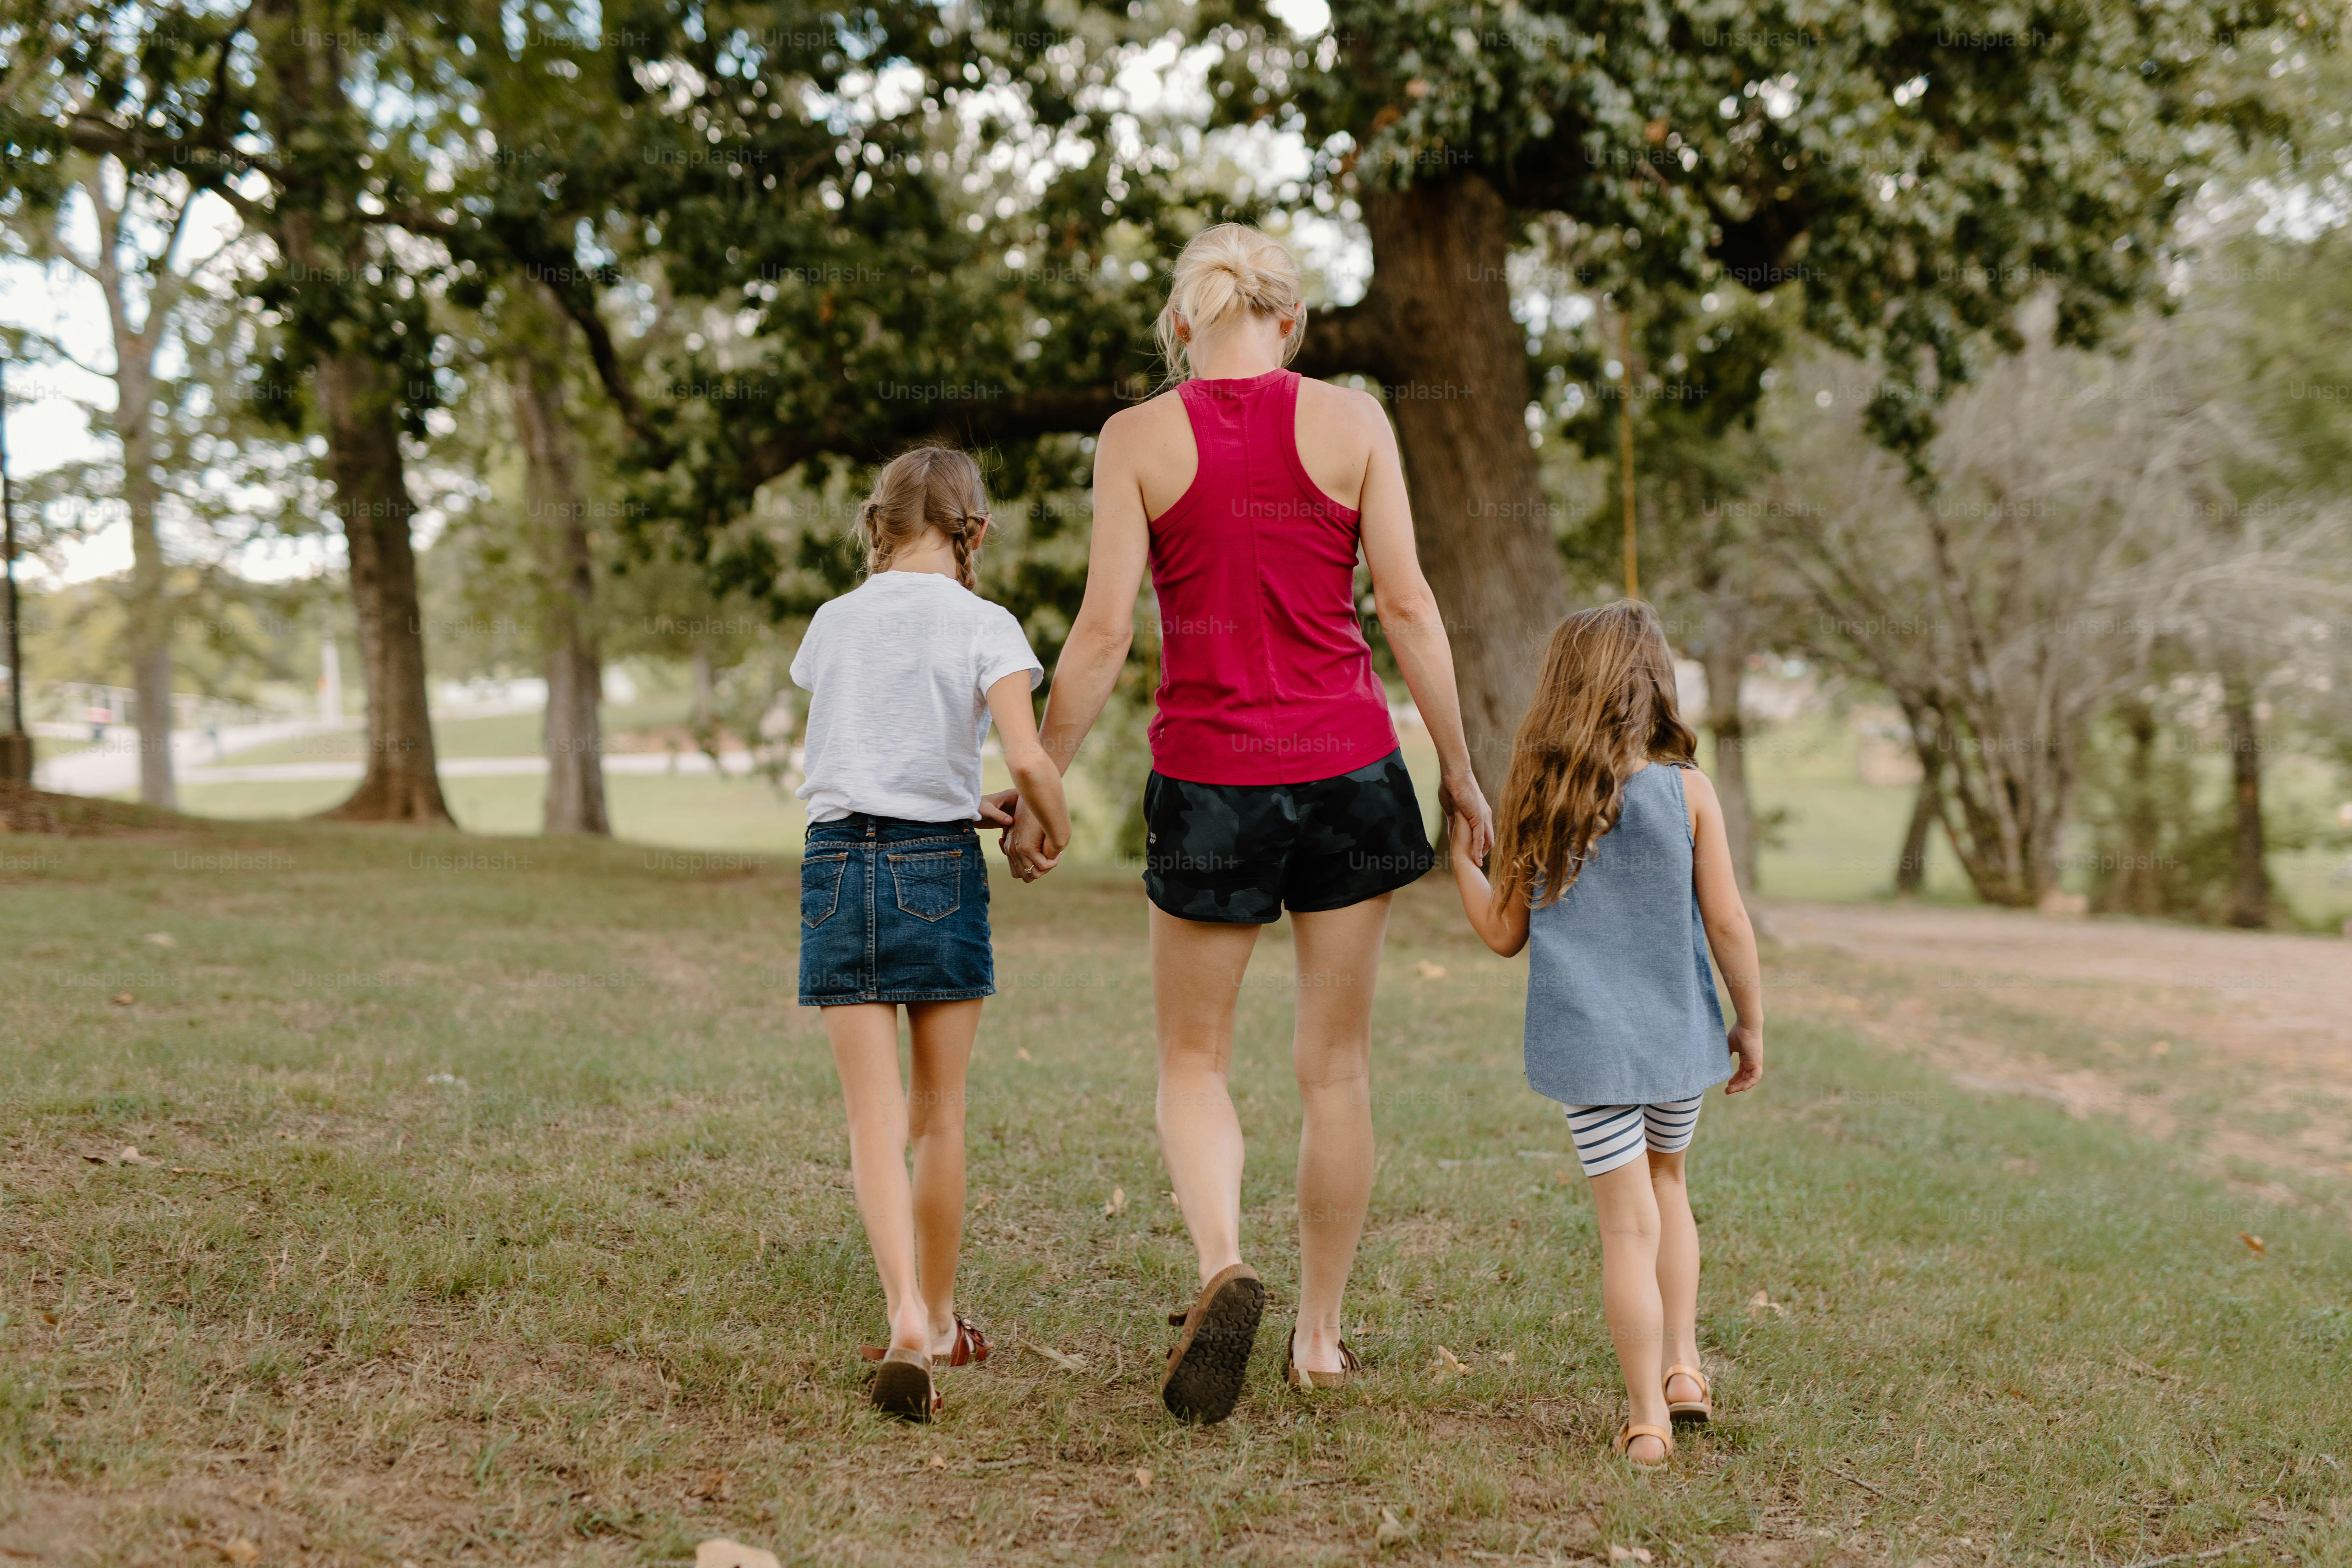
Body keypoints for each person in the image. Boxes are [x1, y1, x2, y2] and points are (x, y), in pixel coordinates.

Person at [1000, 222, 1494, 1424]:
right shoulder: (1355, 423)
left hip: (1214, 789)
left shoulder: (1135, 437)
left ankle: (1225, 1262)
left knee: (1192, 1061)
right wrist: (1465, 776)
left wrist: (1041, 778)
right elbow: (1413, 611)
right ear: (1294, 323)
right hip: (1353, 775)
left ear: (1181, 325)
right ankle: (1319, 1339)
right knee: (1335, 1068)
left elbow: (1104, 634)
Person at [1448, 601, 1764, 1468]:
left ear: (1562, 689)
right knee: (1672, 1186)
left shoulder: (1539, 794)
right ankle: (1685, 1368)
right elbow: (1729, 921)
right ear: (1653, 685)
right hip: (1677, 1046)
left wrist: (1462, 867)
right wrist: (1751, 1020)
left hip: (1589, 1052)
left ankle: (1645, 1420)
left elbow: (1506, 932)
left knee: (1624, 1229)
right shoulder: (1690, 790)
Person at [792, 446, 1072, 1421]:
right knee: (937, 1114)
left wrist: (965, 800)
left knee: (873, 1119)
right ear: (975, 530)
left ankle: (902, 1312)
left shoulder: (834, 621)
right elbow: (1029, 754)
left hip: (835, 866)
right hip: (935, 873)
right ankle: (945, 1323)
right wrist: (1052, 824)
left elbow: (869, 746)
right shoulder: (985, 624)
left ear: (880, 525)